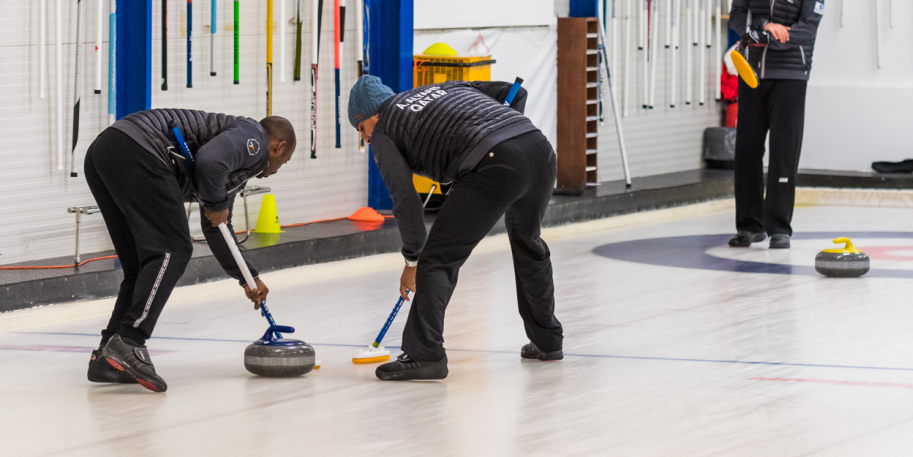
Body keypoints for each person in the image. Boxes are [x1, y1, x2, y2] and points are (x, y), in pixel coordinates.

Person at [348, 75, 563, 381]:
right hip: (539, 149)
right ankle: (548, 340)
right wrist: (502, 132)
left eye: (362, 130)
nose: (367, 139)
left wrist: (413, 260)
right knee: (528, 242)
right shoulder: (445, 88)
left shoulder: (385, 130)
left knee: (437, 260)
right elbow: (516, 93)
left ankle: (425, 354)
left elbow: (405, 201)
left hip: (495, 164)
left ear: (372, 116)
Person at [84, 109, 296, 392]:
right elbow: (210, 162)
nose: (278, 169)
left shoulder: (234, 167)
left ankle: (107, 357)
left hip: (108, 149)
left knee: (141, 266)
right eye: (284, 160)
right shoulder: (253, 140)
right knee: (173, 249)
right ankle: (130, 341)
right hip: (140, 148)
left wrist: (248, 277)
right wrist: (217, 206)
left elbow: (216, 227)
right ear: (278, 147)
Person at [726, 0, 824, 249]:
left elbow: (808, 28)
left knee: (784, 152)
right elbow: (738, 16)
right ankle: (749, 226)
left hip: (791, 75)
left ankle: (779, 226)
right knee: (748, 151)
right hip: (752, 75)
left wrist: (773, 37)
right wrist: (762, 29)